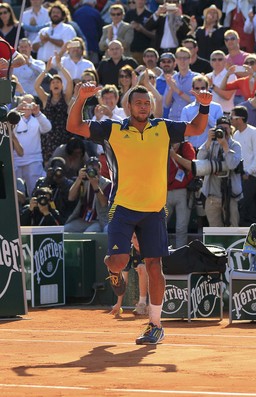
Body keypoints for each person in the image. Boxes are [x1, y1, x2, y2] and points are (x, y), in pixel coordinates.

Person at [66, 83, 212, 345]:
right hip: (122, 207)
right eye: (138, 103)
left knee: (155, 266)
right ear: (128, 106)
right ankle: (112, 270)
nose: (143, 106)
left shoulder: (164, 128)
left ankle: (155, 324)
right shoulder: (112, 129)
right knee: (118, 262)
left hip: (154, 210)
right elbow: (74, 127)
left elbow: (198, 128)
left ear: (151, 106)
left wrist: (203, 105)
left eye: (147, 103)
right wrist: (80, 98)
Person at [195, 117, 243, 227]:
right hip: (212, 196)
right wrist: (208, 141)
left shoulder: (235, 146)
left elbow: (232, 164)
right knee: (214, 230)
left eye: (226, 128)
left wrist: (225, 146)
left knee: (233, 228)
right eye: (220, 128)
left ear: (231, 129)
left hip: (231, 196)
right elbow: (199, 160)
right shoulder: (211, 144)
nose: (223, 131)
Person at [231, 106, 256, 227]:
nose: (230, 120)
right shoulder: (235, 134)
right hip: (239, 177)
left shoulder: (254, 133)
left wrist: (248, 172)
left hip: (250, 177)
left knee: (244, 206)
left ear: (239, 119)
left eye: (232, 118)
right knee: (244, 208)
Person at [34, 53, 73, 164]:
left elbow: (69, 81)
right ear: (50, 87)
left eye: (58, 82)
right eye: (53, 82)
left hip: (63, 136)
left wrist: (60, 66)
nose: (55, 84)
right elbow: (36, 86)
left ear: (61, 85)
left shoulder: (66, 98)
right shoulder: (46, 99)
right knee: (49, 165)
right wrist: (46, 70)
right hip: (49, 139)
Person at [13, 94, 52, 197]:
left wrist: (38, 113)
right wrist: (17, 109)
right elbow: (4, 123)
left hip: (33, 160)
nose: (27, 107)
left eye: (29, 104)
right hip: (16, 160)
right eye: (24, 104)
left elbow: (47, 128)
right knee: (16, 190)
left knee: (34, 190)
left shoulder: (37, 120)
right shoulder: (13, 119)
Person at [64, 156, 111, 232]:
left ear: (99, 169)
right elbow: (71, 197)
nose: (92, 172)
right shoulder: (84, 181)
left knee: (89, 233)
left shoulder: (106, 183)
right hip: (83, 219)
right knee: (66, 229)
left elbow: (104, 204)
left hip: (98, 219)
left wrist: (95, 186)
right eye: (90, 169)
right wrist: (79, 179)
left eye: (94, 169)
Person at [110, 232, 149, 316]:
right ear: (130, 239)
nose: (137, 241)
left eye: (140, 237)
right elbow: (124, 278)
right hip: (146, 279)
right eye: (135, 238)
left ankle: (143, 304)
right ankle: (143, 305)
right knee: (141, 268)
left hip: (159, 280)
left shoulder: (151, 248)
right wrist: (118, 303)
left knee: (142, 267)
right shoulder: (128, 252)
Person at [181, 75, 223, 152]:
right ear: (193, 90)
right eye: (197, 88)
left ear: (207, 89)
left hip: (210, 148)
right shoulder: (186, 109)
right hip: (192, 149)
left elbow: (218, 128)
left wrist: (204, 109)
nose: (200, 91)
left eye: (203, 88)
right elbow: (184, 132)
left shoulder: (217, 107)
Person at [167, 141, 195, 248]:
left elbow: (192, 166)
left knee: (181, 228)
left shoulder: (186, 146)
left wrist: (174, 155)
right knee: (160, 225)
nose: (173, 143)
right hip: (165, 191)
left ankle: (180, 254)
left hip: (184, 191)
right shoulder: (162, 145)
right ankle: (159, 255)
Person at [33, 157, 75, 224]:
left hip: (62, 213)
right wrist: (47, 180)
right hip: (41, 211)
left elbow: (70, 199)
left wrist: (61, 181)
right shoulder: (42, 181)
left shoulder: (69, 183)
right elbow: (35, 194)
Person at [164, 47, 199, 121]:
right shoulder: (173, 78)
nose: (182, 61)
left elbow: (196, 100)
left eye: (185, 58)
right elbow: (166, 104)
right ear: (176, 60)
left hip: (190, 119)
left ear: (190, 60)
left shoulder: (196, 78)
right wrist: (171, 88)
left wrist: (176, 90)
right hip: (174, 118)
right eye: (179, 58)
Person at [72, 0, 104, 66]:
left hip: (79, 47)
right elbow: (100, 30)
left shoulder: (77, 12)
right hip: (93, 46)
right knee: (93, 66)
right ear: (93, 3)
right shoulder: (96, 13)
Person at [206, 50, 236, 115]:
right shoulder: (207, 76)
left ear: (225, 61)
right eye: (214, 60)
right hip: (209, 113)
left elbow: (227, 96)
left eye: (220, 59)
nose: (217, 62)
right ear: (210, 62)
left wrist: (212, 86)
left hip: (225, 113)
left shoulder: (231, 76)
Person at [124, 0, 154, 64]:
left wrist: (142, 29)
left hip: (144, 51)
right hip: (130, 51)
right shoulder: (129, 14)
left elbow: (154, 35)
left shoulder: (150, 15)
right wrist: (130, 27)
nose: (140, 1)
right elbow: (123, 30)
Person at [155, 52, 176, 118]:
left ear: (174, 64)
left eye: (169, 61)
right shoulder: (156, 81)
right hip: (161, 118)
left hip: (177, 118)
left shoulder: (179, 79)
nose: (166, 64)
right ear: (160, 64)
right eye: (164, 62)